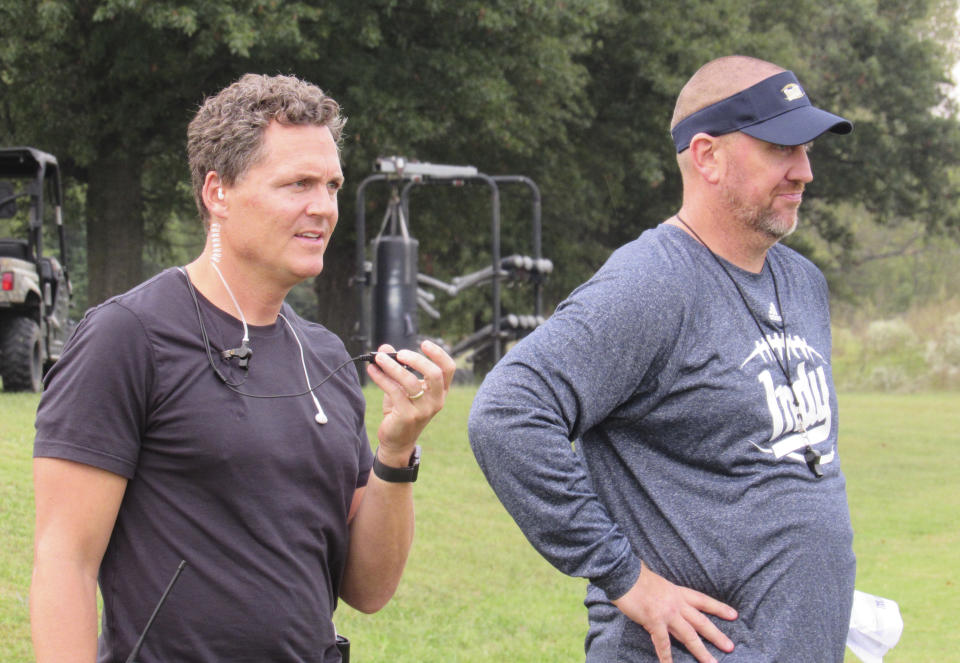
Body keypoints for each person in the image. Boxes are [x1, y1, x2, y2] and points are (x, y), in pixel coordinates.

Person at [31, 73, 456, 663]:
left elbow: (368, 589)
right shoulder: (126, 337)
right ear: (218, 192)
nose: (323, 208)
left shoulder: (327, 356)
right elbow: (64, 562)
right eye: (297, 184)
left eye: (332, 185)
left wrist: (395, 452)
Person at [468, 55, 856, 663]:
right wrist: (627, 579)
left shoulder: (803, 282)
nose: (804, 172)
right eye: (782, 148)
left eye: (807, 150)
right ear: (707, 156)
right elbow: (509, 412)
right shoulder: (652, 282)